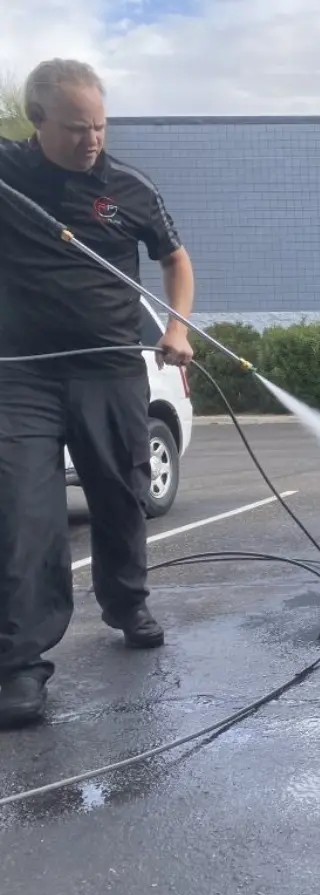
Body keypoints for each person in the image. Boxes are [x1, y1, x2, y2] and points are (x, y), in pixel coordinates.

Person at [0, 58, 196, 728]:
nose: (92, 139)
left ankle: (126, 600)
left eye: (101, 125)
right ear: (37, 121)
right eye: (78, 127)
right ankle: (21, 667)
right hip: (21, 374)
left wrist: (177, 327)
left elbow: (174, 257)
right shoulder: (8, 176)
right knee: (24, 515)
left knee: (120, 492)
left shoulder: (129, 186)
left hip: (111, 367)